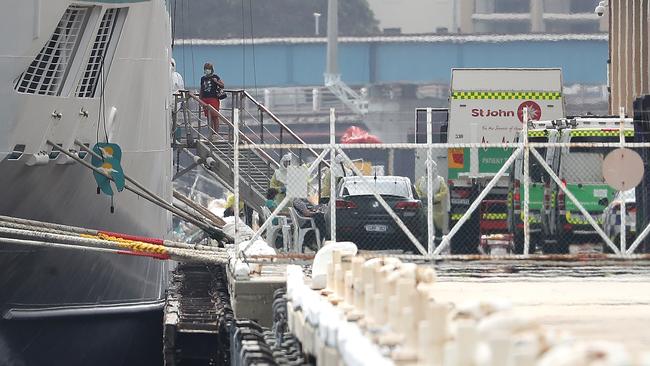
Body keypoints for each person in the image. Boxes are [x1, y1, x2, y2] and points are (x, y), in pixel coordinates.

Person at [415, 168, 450, 242]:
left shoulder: (440, 180)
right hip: (425, 207)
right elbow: (416, 190)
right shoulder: (421, 181)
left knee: (438, 229)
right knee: (424, 228)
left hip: (436, 207)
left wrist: (435, 197)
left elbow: (444, 191)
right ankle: (425, 246)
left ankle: (438, 247)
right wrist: (422, 198)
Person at [199, 62, 225, 137]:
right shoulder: (203, 78)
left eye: (209, 69)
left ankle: (216, 133)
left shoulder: (215, 77)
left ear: (212, 69)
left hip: (213, 98)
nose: (207, 70)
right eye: (206, 69)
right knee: (208, 117)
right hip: (205, 99)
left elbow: (222, 85)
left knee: (215, 116)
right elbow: (202, 89)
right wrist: (200, 99)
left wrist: (216, 81)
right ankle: (211, 132)